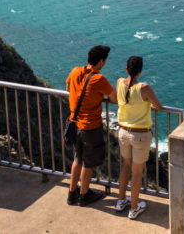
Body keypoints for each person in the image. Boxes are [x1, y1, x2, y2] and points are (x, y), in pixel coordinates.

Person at [65, 45, 117, 206]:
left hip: (74, 123)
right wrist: (98, 97)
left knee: (77, 158)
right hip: (90, 126)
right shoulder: (98, 79)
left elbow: (68, 87)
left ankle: (72, 193)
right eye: (105, 60)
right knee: (88, 163)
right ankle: (84, 195)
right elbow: (114, 99)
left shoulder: (75, 71)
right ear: (101, 61)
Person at [114, 55, 164, 220]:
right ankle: (134, 208)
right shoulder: (145, 88)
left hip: (123, 132)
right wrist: (147, 104)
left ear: (126, 69)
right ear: (141, 70)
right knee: (137, 172)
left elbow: (122, 98)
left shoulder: (120, 81)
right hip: (140, 135)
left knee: (125, 166)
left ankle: (121, 201)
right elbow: (159, 106)